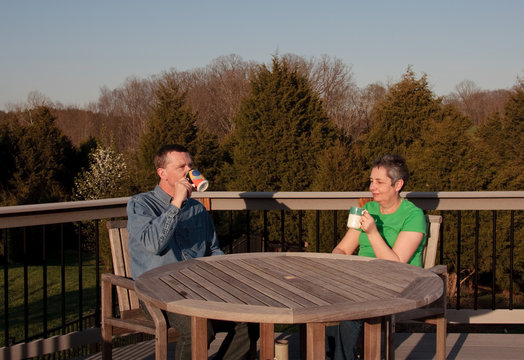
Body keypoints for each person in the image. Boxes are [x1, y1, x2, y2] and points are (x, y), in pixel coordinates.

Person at [126, 144, 252, 360]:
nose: (188, 170)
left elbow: (212, 250)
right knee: (199, 327)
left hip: (199, 289)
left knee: (251, 319)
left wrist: (228, 276)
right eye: (181, 166)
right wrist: (176, 202)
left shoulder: (197, 209)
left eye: (190, 165)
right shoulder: (141, 204)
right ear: (162, 173)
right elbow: (154, 244)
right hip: (158, 292)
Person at [326, 154, 427, 360]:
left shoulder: (413, 216)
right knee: (324, 298)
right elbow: (343, 249)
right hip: (363, 280)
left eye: (379, 182)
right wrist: (336, 266)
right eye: (371, 180)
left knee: (350, 309)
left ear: (398, 184)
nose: (372, 187)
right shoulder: (367, 209)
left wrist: (372, 232)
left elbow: (397, 264)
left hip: (398, 284)